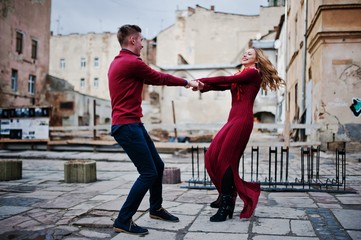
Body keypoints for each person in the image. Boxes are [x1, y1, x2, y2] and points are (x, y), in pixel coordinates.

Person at [108, 24, 197, 235]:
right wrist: (186, 82)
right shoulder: (130, 62)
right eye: (140, 40)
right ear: (131, 40)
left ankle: (155, 208)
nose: (142, 43)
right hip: (127, 125)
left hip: (132, 123)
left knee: (157, 165)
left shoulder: (120, 61)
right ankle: (123, 219)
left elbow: (153, 79)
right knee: (148, 173)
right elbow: (159, 78)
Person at [192, 47, 284, 222]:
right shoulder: (241, 74)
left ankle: (227, 203)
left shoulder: (252, 73)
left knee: (226, 161)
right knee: (211, 156)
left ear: (257, 60)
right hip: (233, 120)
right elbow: (224, 85)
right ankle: (224, 194)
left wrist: (198, 80)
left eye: (249, 54)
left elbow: (225, 79)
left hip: (242, 121)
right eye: (244, 53)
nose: (244, 55)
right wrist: (204, 86)